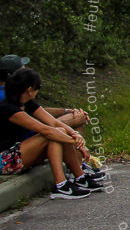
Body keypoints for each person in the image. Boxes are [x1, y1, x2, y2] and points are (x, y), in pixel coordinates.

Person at [1, 68, 104, 199]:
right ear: (29, 89)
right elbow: (45, 130)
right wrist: (76, 143)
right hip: (6, 158)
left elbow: (53, 123)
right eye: (38, 87)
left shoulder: (27, 103)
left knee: (58, 132)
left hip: (22, 151)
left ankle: (80, 177)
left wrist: (74, 134)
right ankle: (61, 185)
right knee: (53, 135)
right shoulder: (9, 108)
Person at [1, 54, 89, 130]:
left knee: (74, 117)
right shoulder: (10, 95)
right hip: (25, 135)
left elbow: (37, 110)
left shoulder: (14, 93)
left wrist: (67, 111)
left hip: (31, 128)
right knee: (77, 118)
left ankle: (79, 147)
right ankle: (81, 147)